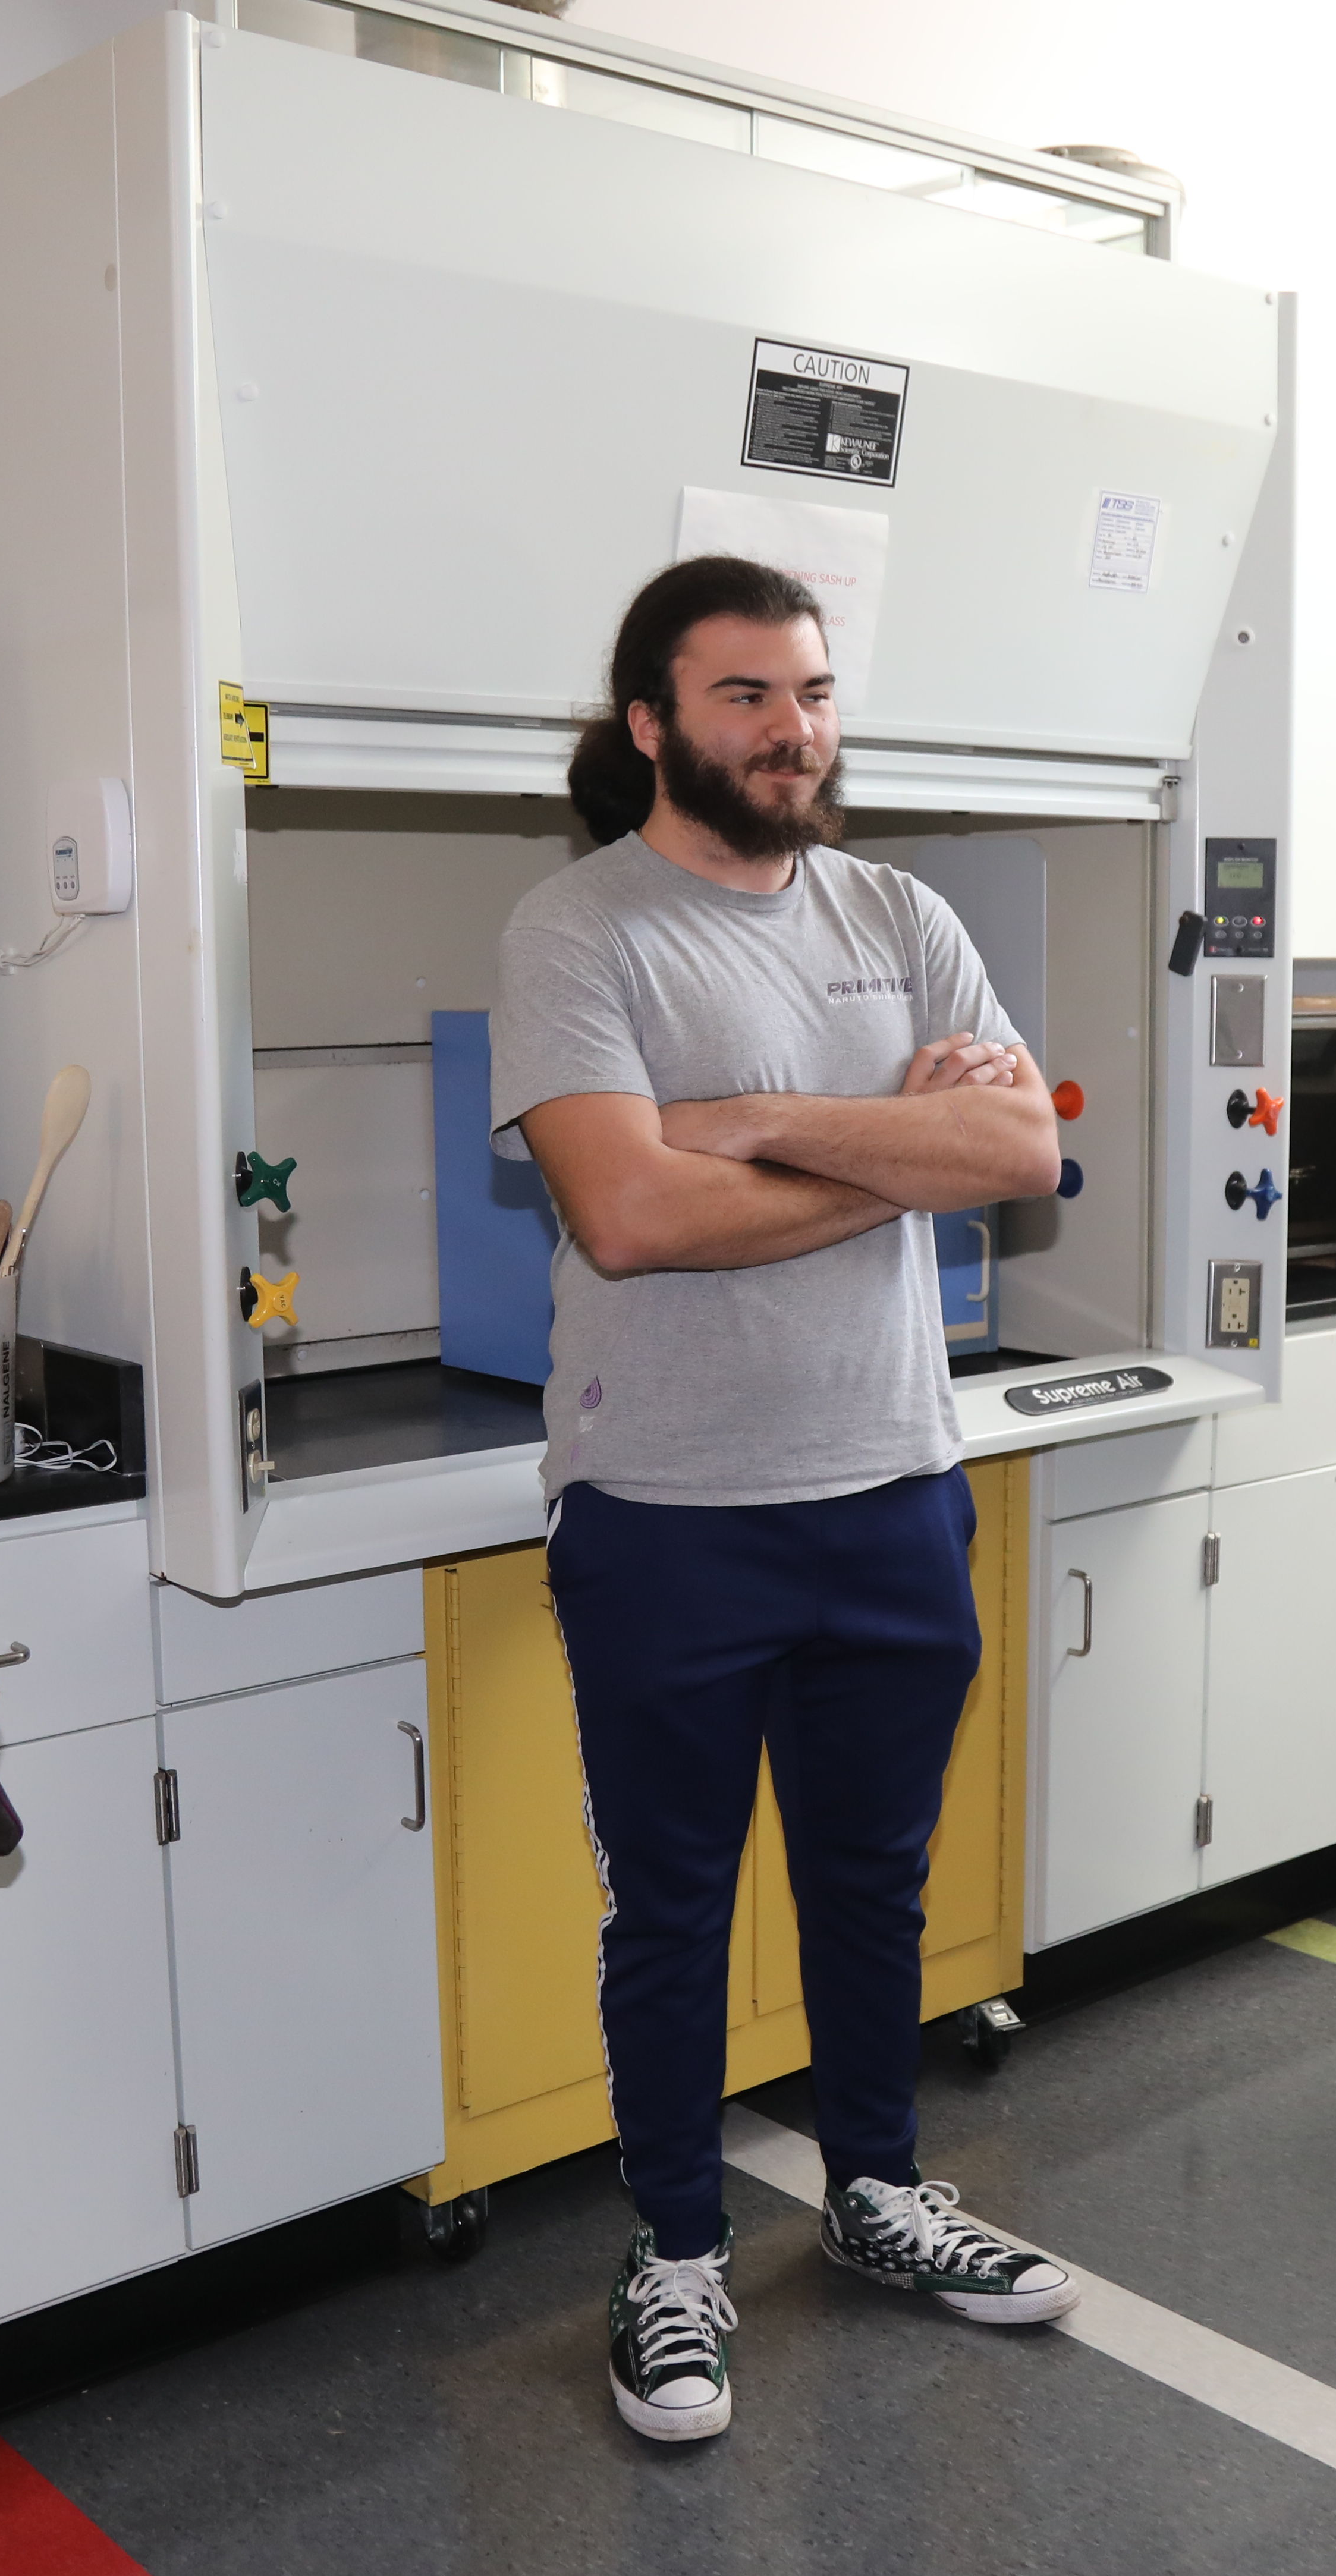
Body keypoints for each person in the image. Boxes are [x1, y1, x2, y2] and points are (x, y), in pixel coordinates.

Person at [495, 554, 1078, 2445]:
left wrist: (749, 1120)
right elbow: (630, 1212)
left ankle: (882, 2195)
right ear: (655, 719)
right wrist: (894, 1159)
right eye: (747, 695)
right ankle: (674, 2254)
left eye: (814, 693)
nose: (791, 731)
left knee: (873, 1887)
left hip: (894, 1487)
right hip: (667, 1509)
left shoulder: (898, 912)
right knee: (668, 1909)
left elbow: (1024, 1150)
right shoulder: (581, 932)